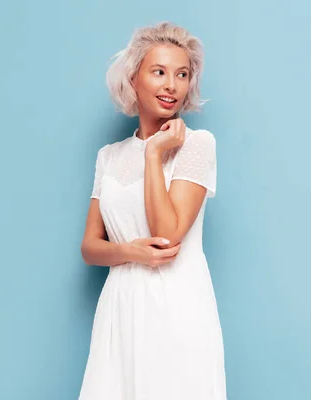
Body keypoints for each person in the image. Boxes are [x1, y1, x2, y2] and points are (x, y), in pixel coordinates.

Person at [78, 21, 226, 400]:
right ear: (133, 78)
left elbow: (168, 233)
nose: (171, 85)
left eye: (182, 74)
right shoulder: (108, 157)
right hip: (120, 307)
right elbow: (90, 248)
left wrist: (154, 153)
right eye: (159, 72)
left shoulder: (197, 145)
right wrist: (131, 252)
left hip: (175, 305)